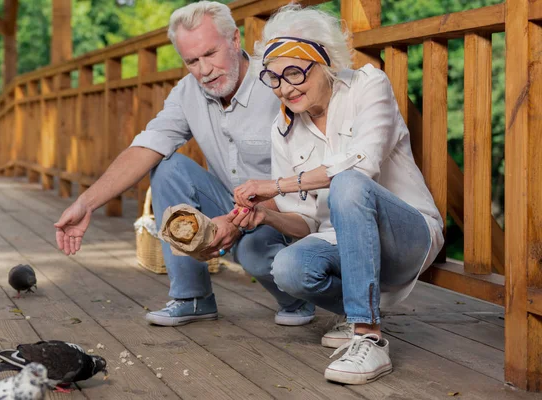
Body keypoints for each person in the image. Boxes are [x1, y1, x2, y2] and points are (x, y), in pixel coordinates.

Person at [53, 1, 315, 327]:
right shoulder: (187, 93)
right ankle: (192, 297)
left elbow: (306, 180)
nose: (204, 70)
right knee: (166, 166)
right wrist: (86, 203)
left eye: (210, 54)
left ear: (235, 40)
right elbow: (145, 147)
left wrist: (237, 220)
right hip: (233, 205)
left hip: (289, 212)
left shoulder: (278, 82)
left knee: (253, 252)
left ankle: (298, 298)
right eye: (191, 60)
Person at [228, 5, 444, 385]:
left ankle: (367, 334)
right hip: (344, 246)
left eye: (294, 72)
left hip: (407, 236)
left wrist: (275, 186)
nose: (286, 87)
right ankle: (359, 310)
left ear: (323, 60)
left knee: (347, 181)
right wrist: (269, 215)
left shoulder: (367, 85)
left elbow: (362, 167)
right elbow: (306, 221)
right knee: (289, 268)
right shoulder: (282, 129)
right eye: (273, 78)